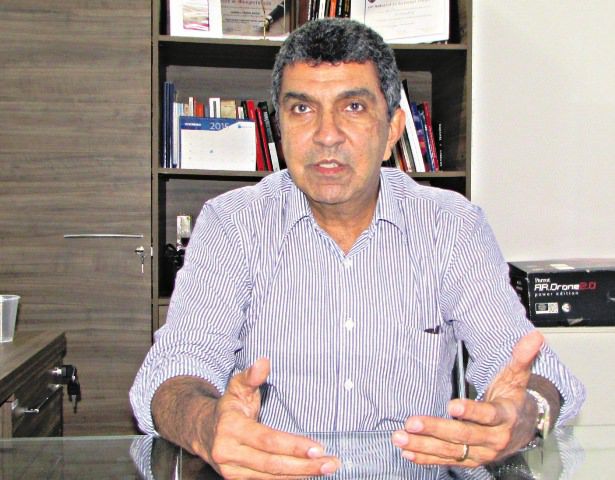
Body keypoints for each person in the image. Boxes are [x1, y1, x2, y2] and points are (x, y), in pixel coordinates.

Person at [130, 18, 585, 479]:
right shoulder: (233, 224)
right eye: (302, 109)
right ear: (279, 128)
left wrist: (523, 413)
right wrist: (207, 425)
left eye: (353, 107)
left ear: (392, 130)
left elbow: (531, 375)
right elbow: (174, 372)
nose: (326, 134)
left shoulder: (451, 226)